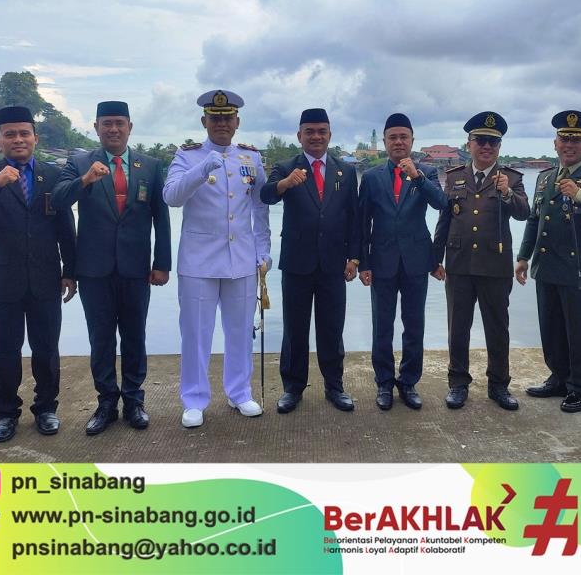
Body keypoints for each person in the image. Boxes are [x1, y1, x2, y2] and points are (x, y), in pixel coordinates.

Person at [52, 101, 170, 435]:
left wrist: (162, 263)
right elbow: (58, 200)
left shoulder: (150, 166)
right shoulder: (79, 163)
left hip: (136, 269)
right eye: (107, 124)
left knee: (135, 336)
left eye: (119, 123)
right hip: (94, 270)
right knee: (101, 338)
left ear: (130, 127)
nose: (113, 129)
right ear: (96, 127)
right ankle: (106, 403)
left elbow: (161, 218)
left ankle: (134, 400)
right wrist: (85, 180)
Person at [163, 90, 270, 428]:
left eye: (227, 118)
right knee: (196, 333)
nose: (222, 123)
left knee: (241, 330)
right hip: (199, 262)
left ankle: (239, 392)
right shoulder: (187, 156)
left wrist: (263, 249)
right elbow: (172, 197)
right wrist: (202, 169)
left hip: (241, 258)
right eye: (215, 118)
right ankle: (194, 399)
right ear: (204, 121)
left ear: (237, 122)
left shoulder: (251, 158)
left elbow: (260, 208)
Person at [0, 106, 76, 443]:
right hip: (1, 280)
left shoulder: (53, 175)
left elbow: (65, 225)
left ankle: (46, 409)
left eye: (24, 133)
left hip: (46, 277)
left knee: (46, 349)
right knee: (3, 351)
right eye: (10, 134)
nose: (18, 139)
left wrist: (70, 270)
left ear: (35, 138)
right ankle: (5, 415)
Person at [260, 108, 359, 413]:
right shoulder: (286, 167)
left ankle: (335, 386)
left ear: (329, 135)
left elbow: (353, 217)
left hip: (334, 263)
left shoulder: (345, 171)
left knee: (332, 328)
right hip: (297, 263)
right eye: (310, 132)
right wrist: (285, 183)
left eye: (321, 131)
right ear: (299, 135)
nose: (316, 137)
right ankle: (292, 388)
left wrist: (354, 258)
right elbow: (266, 195)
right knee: (295, 329)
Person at [515, 111, 581, 413]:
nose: (569, 145)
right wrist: (523, 256)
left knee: (577, 331)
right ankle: (558, 378)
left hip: (578, 270)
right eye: (564, 139)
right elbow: (534, 220)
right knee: (551, 328)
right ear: (555, 144)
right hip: (546, 266)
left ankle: (579, 387)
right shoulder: (544, 178)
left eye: (576, 140)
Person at [433, 112, 529, 411]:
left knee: (497, 328)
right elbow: (444, 220)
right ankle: (458, 383)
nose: (487, 146)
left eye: (493, 142)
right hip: (459, 264)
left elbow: (524, 213)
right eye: (481, 140)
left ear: (499, 146)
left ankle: (499, 385)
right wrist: (435, 259)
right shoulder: (454, 177)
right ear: (470, 144)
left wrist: (507, 192)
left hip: (495, 266)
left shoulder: (512, 178)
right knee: (457, 327)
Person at [358, 113, 446, 410]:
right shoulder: (371, 177)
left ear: (412, 141)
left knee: (414, 324)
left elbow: (441, 204)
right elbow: (363, 222)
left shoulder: (427, 172)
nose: (398, 142)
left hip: (416, 260)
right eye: (392, 137)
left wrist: (417, 176)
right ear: (384, 142)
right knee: (382, 325)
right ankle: (384, 382)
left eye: (403, 137)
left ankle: (408, 382)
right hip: (381, 260)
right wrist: (363, 262)